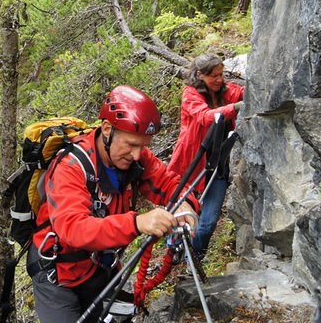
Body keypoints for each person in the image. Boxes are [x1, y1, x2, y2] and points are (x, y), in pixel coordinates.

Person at [28, 85, 197, 323]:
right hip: (58, 275)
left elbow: (170, 185)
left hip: (100, 269)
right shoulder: (71, 167)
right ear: (107, 129)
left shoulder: (135, 158)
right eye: (131, 144)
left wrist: (186, 206)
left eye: (143, 146)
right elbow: (73, 229)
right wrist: (137, 223)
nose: (138, 155)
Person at [167, 53, 245, 261]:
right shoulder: (191, 94)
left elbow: (243, 93)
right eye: (214, 76)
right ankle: (174, 249)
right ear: (200, 75)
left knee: (209, 221)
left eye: (221, 74)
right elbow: (205, 117)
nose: (220, 80)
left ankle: (194, 256)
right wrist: (234, 108)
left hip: (218, 164)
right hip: (191, 163)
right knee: (185, 213)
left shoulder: (225, 91)